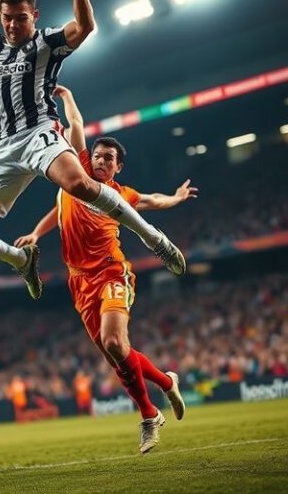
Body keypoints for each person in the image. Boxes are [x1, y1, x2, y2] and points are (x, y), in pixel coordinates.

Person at [0, 0, 185, 300]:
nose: (13, 25)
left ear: (34, 14)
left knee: (78, 183)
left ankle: (153, 237)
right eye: (7, 18)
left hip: (39, 134)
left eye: (20, 18)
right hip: (2, 147)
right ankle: (20, 260)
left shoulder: (47, 42)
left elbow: (85, 26)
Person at [14, 85, 197, 454]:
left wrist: (174, 199)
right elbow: (76, 127)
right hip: (78, 281)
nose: (100, 161)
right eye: (97, 155)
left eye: (108, 158)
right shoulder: (74, 174)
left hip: (112, 272)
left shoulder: (119, 193)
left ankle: (149, 417)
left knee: (115, 342)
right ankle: (166, 382)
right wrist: (35, 233)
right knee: (117, 353)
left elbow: (150, 200)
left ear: (117, 166)